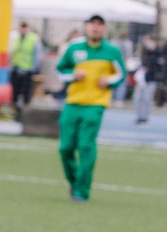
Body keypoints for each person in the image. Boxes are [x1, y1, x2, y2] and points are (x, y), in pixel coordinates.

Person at [55, 12, 128, 201]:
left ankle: (82, 191)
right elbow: (60, 70)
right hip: (73, 103)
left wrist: (109, 80)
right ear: (86, 26)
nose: (95, 27)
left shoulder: (111, 51)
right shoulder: (75, 48)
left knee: (86, 145)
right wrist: (73, 74)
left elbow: (121, 75)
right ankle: (74, 182)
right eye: (92, 23)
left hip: (95, 105)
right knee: (65, 148)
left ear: (104, 28)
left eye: (99, 24)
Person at [6, 20, 40, 115]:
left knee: (26, 93)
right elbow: (11, 52)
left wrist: (35, 68)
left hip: (27, 69)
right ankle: (14, 112)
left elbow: (36, 54)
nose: (22, 30)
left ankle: (25, 113)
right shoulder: (15, 38)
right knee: (14, 92)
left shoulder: (33, 39)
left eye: (24, 27)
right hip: (15, 68)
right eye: (21, 27)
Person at [133, 29, 160, 124]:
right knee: (138, 98)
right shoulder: (144, 52)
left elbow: (158, 67)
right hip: (142, 79)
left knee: (147, 99)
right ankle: (139, 116)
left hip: (150, 79)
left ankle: (145, 117)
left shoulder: (158, 53)